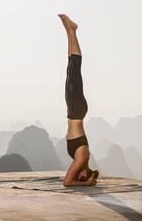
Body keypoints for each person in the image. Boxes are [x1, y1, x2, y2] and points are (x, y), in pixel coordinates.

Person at [58, 14, 99, 186]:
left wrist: (83, 182)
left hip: (74, 111)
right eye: (80, 175)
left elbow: (70, 180)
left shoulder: (81, 157)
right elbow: (68, 182)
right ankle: (72, 30)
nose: (76, 172)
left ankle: (70, 32)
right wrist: (86, 184)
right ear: (85, 172)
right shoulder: (82, 157)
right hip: (76, 110)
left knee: (71, 70)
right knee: (74, 69)